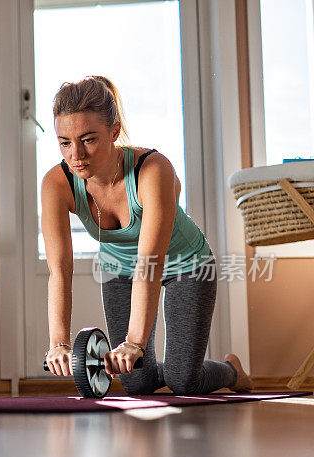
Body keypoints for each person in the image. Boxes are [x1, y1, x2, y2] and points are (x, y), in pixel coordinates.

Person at [41, 76, 253, 395]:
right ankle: (173, 367)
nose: (76, 155)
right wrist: (59, 343)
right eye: (65, 142)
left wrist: (135, 343)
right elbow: (59, 269)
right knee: (137, 381)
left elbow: (149, 262)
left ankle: (231, 371)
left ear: (114, 132)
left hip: (186, 265)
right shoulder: (57, 183)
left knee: (185, 382)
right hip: (120, 270)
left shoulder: (152, 169)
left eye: (88, 139)